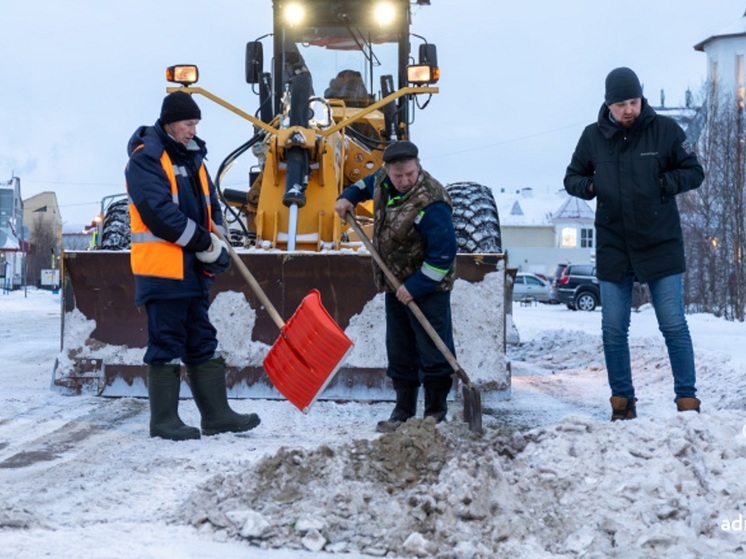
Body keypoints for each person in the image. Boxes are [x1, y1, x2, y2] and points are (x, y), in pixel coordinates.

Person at [564, 67, 704, 420]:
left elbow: (694, 171)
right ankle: (622, 402)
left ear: (641, 98)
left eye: (634, 101)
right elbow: (572, 178)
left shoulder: (667, 131)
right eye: (621, 104)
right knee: (613, 327)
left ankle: (687, 401)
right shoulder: (592, 138)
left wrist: (664, 183)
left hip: (661, 241)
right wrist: (592, 187)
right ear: (608, 105)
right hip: (614, 243)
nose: (629, 109)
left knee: (673, 323)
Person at [125, 90, 261, 440]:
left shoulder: (195, 158)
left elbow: (210, 202)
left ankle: (217, 416)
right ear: (170, 122)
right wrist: (203, 242)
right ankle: (164, 421)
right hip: (162, 272)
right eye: (188, 123)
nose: (192, 129)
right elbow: (159, 214)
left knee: (202, 340)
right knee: (166, 343)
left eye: (196, 123)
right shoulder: (146, 159)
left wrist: (219, 232)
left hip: (192, 273)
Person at [334, 140, 458, 432]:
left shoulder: (432, 202)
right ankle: (402, 411)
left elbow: (443, 256)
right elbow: (364, 185)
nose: (404, 181)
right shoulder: (382, 179)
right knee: (400, 350)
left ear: (418, 166)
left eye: (410, 174)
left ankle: (435, 414)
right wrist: (347, 196)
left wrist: (416, 286)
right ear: (388, 171)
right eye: (398, 175)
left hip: (429, 288)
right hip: (394, 282)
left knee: (433, 350)